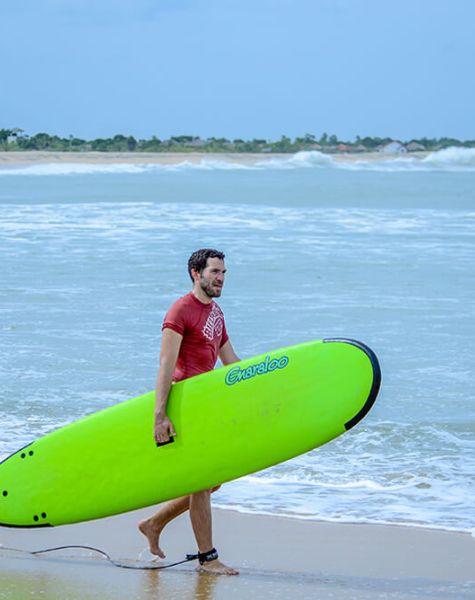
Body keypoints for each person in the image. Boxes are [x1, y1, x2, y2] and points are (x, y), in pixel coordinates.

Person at [138, 248, 240, 575]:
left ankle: (154, 523)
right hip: (185, 405)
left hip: (205, 406)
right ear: (196, 273)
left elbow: (230, 363)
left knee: (213, 483)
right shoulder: (181, 310)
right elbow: (166, 364)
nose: (221, 278)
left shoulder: (216, 313)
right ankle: (207, 559)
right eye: (215, 272)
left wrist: (269, 385)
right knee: (202, 482)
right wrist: (160, 415)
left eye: (223, 272)